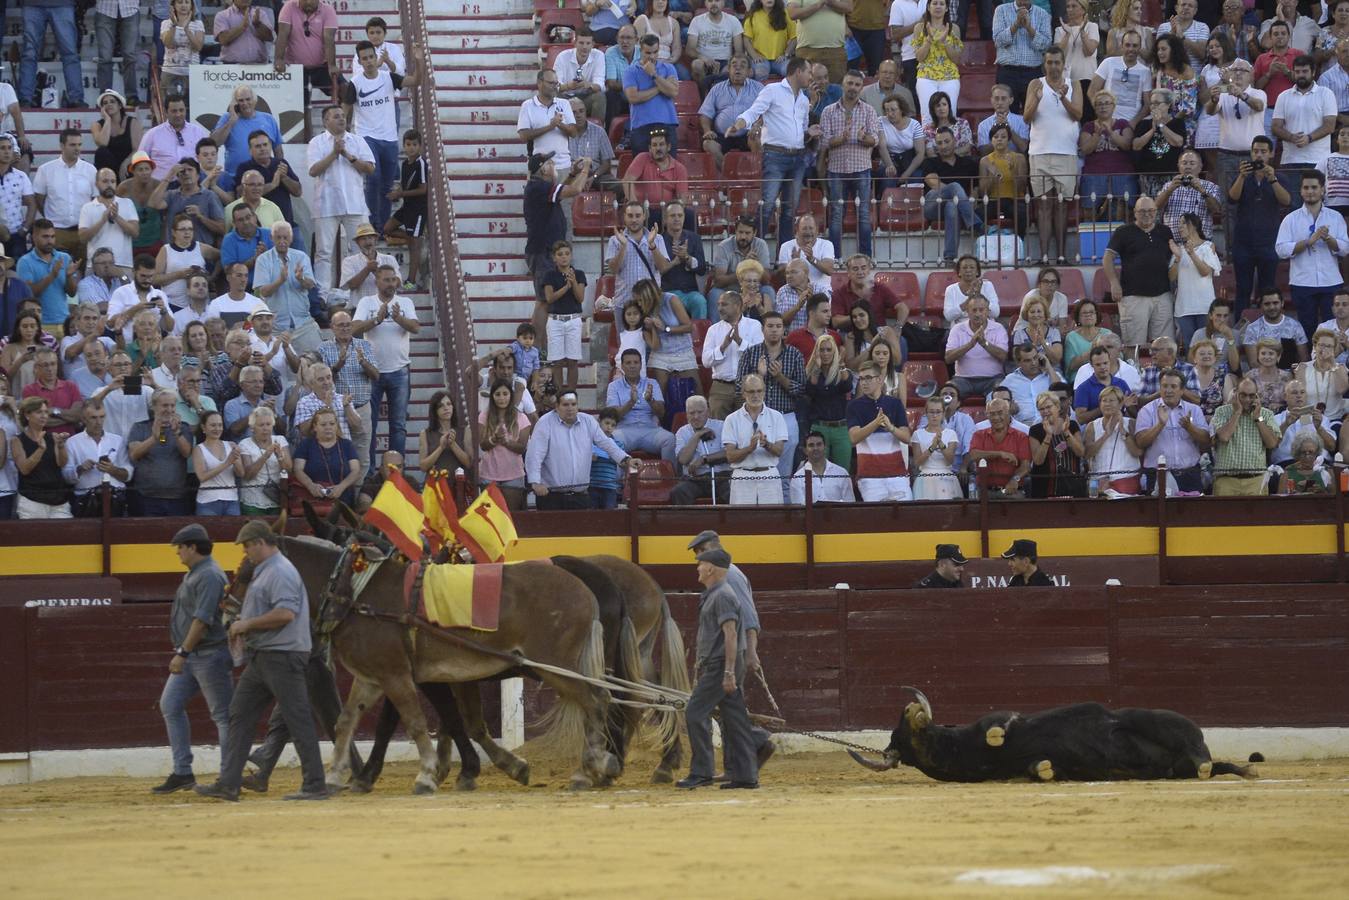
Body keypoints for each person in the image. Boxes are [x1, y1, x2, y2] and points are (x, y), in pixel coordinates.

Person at [194, 520, 330, 803]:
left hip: (283, 654)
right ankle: (229, 783)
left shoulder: (280, 571)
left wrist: (246, 624)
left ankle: (315, 784)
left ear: (260, 542)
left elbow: (285, 614)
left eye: (247, 546)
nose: (245, 552)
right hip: (264, 656)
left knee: (298, 718)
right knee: (239, 713)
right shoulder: (266, 571)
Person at [148, 524, 235, 795]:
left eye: (180, 548)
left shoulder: (209, 575)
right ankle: (183, 772)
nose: (178, 553)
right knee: (170, 705)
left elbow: (202, 620)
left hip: (207, 654)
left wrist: (182, 653)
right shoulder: (198, 573)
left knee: (222, 716)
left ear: (193, 547)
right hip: (194, 654)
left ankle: (228, 776)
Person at [677, 547, 758, 790]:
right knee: (735, 719)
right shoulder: (718, 593)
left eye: (700, 564)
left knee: (695, 712)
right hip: (721, 665)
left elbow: (730, 635)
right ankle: (746, 775)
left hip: (720, 665)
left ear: (711, 567)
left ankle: (702, 771)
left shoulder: (722, 595)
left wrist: (729, 672)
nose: (697, 569)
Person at [730, 57, 815, 248]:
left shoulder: (803, 99)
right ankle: (753, 249)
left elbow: (802, 129)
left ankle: (783, 255)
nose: (811, 76)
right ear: (798, 72)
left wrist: (810, 133)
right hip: (775, 155)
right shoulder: (772, 90)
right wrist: (739, 124)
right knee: (767, 205)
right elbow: (754, 111)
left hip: (797, 156)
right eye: (809, 72)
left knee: (789, 210)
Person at [352, 266, 419, 469]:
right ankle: (370, 471)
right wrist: (376, 320)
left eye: (394, 280)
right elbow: (354, 329)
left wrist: (399, 319)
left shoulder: (405, 302)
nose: (391, 284)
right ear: (377, 282)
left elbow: (416, 327)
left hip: (399, 371)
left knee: (398, 426)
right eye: (387, 280)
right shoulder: (366, 302)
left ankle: (396, 472)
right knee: (369, 426)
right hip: (372, 372)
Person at [307, 106, 375, 300]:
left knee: (358, 249)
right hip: (326, 204)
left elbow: (370, 168)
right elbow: (313, 170)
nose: (341, 119)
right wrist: (334, 153)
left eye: (343, 116)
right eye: (336, 116)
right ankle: (322, 294)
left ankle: (356, 292)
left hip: (355, 203)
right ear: (325, 121)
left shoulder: (357, 141)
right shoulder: (316, 142)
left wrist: (347, 155)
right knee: (323, 252)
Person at [526, 390, 634, 510]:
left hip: (580, 496)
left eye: (573, 404)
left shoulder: (588, 421)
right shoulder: (545, 422)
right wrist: (535, 483)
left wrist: (627, 459)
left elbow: (607, 444)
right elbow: (535, 455)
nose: (570, 408)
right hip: (551, 496)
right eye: (565, 405)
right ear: (556, 407)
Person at [1024, 46, 1082, 264]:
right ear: (1044, 63)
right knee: (1043, 205)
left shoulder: (1073, 84)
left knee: (1062, 205)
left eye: (1057, 62)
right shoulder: (1035, 83)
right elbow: (1027, 118)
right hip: (1039, 152)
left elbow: (1078, 114)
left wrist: (1064, 97)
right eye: (1050, 62)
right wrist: (1037, 99)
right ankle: (1045, 257)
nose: (1054, 67)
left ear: (1063, 63)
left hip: (1066, 152)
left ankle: (1060, 256)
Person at [1277, 170, 1349, 337]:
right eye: (1306, 187)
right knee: (1306, 329)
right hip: (1303, 282)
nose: (1310, 191)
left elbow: (1345, 249)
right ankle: (1308, 363)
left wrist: (1328, 239)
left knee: (1334, 329)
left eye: (1314, 187)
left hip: (1330, 281)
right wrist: (1308, 242)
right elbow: (1281, 250)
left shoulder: (1335, 217)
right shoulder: (1291, 219)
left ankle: (1333, 363)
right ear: (1301, 191)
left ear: (1322, 190)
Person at [525, 152, 591, 321]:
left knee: (546, 301)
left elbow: (560, 193)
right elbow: (575, 190)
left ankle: (541, 345)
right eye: (549, 163)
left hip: (546, 250)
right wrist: (586, 169)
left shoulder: (540, 187)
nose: (553, 165)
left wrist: (572, 174)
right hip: (542, 251)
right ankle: (538, 346)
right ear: (543, 169)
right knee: (544, 301)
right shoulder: (539, 187)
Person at [820, 70, 880, 257]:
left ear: (861, 87)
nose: (853, 87)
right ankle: (834, 258)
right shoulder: (828, 111)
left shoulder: (869, 110)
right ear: (843, 85)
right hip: (836, 169)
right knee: (836, 214)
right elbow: (824, 142)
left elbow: (875, 140)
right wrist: (841, 139)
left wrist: (864, 139)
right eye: (850, 83)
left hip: (861, 168)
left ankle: (865, 257)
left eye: (857, 84)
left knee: (863, 214)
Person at [1227, 137, 1289, 313]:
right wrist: (1241, 176)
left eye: (1263, 151)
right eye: (1255, 151)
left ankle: (1267, 332)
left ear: (1271, 154)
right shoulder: (1242, 175)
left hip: (1268, 242)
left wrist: (1272, 179)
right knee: (1243, 289)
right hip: (1243, 243)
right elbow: (1232, 198)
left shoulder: (1279, 177)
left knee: (1267, 289)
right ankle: (1241, 330)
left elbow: (1286, 201)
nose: (1259, 155)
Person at [1103, 197, 1174, 347]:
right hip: (1133, 298)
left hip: (1162, 296)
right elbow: (1108, 258)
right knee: (1133, 346)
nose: (1147, 214)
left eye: (1151, 211)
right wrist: (1114, 283)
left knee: (1164, 346)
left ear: (1156, 212)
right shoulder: (1123, 232)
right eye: (1142, 211)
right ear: (1135, 212)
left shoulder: (1165, 232)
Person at [1134, 368, 1210, 493]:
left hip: (1189, 475)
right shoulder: (1147, 410)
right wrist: (1160, 424)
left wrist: (1190, 428)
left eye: (1173, 386)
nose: (1168, 390)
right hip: (1158, 476)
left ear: (1181, 391)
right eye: (1164, 386)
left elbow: (1206, 440)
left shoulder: (1194, 410)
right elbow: (1141, 442)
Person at [846, 360, 912, 501]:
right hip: (870, 477)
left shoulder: (895, 403)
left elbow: (907, 437)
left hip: (897, 474)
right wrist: (876, 423)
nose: (864, 382)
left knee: (906, 516)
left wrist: (891, 428)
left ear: (880, 379)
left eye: (868, 378)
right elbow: (853, 438)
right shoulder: (854, 406)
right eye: (861, 378)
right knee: (877, 519)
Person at [254, 221, 321, 353]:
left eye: (285, 237)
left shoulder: (301, 257)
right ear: (271, 239)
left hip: (303, 324)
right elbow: (263, 291)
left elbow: (311, 285)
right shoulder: (263, 260)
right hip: (277, 327)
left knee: (316, 362)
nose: (282, 241)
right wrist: (280, 280)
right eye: (278, 238)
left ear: (291, 239)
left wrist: (300, 279)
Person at [722, 373, 788, 505]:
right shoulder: (731, 419)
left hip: (769, 475)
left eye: (759, 391)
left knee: (772, 521)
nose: (755, 395)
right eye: (751, 391)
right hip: (742, 476)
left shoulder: (777, 417)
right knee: (742, 521)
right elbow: (730, 456)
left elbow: (780, 451)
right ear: (743, 393)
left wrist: (767, 444)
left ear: (764, 392)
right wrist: (749, 449)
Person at [208, 87, 284, 196]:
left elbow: (278, 151)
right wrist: (232, 120)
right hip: (235, 179)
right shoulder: (227, 118)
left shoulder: (268, 119)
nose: (245, 103)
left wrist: (277, 175)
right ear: (235, 103)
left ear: (254, 100)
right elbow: (214, 143)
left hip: (264, 179)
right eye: (241, 100)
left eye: (248, 99)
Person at [1211, 377, 1280, 495]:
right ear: (1235, 393)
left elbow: (1272, 443)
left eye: (1251, 395)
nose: (1247, 399)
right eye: (1243, 395)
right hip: (1226, 480)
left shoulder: (1266, 414)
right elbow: (1224, 437)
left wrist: (1258, 418)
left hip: (1256, 480)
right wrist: (1237, 412)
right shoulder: (1221, 412)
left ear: (1257, 396)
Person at [920, 128, 980, 264]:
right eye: (939, 143)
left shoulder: (968, 163)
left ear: (955, 141)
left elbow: (975, 188)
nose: (943, 146)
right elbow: (933, 182)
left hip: (956, 207)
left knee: (952, 205)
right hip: (933, 205)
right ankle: (976, 223)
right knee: (954, 187)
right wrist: (959, 195)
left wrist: (969, 198)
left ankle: (950, 257)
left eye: (947, 141)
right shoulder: (930, 162)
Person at [607, 348, 677, 463]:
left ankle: (671, 479)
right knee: (612, 440)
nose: (632, 366)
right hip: (625, 430)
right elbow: (612, 417)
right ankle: (618, 481)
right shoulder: (614, 386)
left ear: (641, 365)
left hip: (650, 429)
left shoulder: (652, 383)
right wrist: (631, 402)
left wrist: (650, 400)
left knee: (670, 439)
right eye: (628, 363)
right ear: (622, 366)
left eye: (636, 362)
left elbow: (661, 413)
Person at [703, 290, 764, 419]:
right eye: (718, 304)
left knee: (747, 426)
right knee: (719, 429)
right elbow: (706, 361)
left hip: (747, 386)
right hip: (720, 388)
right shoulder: (713, 330)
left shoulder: (754, 325)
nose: (719, 308)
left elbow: (760, 355)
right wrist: (723, 346)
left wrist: (740, 341)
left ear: (737, 306)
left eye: (724, 304)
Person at [9, 397, 70, 519]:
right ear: (27, 415)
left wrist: (61, 446)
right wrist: (40, 449)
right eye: (39, 412)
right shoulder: (17, 440)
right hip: (32, 501)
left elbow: (61, 463)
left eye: (46, 412)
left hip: (58, 499)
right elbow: (24, 469)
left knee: (63, 536)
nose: (44, 416)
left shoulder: (52, 436)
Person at [17, 220, 79, 336]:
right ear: (34, 237)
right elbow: (29, 293)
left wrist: (69, 276)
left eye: (52, 236)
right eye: (45, 237)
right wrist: (52, 276)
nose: (50, 241)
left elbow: (72, 293)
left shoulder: (64, 258)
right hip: (40, 325)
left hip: (64, 323)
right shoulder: (25, 262)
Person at [292, 406, 362, 508]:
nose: (328, 427)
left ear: (337, 426)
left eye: (332, 424)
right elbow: (297, 469)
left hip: (343, 501)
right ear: (315, 427)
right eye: (323, 424)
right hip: (313, 500)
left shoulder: (347, 444)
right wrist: (311, 486)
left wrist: (341, 487)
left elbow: (356, 471)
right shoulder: (306, 444)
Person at [273, 0, 340, 104]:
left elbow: (329, 39)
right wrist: (279, 59)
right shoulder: (289, 7)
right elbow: (282, 34)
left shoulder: (328, 10)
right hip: (296, 68)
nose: (308, 2)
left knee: (345, 91)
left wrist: (331, 65)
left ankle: (344, 120)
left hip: (322, 66)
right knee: (303, 105)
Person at [623, 34, 681, 154]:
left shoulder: (669, 68)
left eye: (655, 52)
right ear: (640, 51)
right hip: (641, 125)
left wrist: (654, 75)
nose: (652, 56)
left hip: (667, 123)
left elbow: (673, 92)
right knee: (643, 167)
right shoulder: (630, 71)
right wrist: (660, 87)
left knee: (669, 167)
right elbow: (633, 97)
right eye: (648, 53)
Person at [992, 0, 1052, 113]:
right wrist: (1015, 25)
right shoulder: (1001, 10)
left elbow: (1046, 46)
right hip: (1007, 73)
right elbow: (998, 41)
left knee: (1034, 115)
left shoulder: (1043, 14)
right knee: (1006, 116)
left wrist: (1029, 28)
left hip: (1033, 73)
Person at [230, 133, 299, 231]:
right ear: (250, 151)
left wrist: (284, 177)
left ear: (271, 146)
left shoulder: (281, 163)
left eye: (265, 145)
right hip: (260, 227)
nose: (262, 149)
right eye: (258, 146)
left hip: (287, 225)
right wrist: (273, 185)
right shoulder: (245, 168)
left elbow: (298, 192)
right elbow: (241, 194)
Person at [945, 295, 1008, 398]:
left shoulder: (998, 328)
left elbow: (1003, 356)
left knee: (1002, 393)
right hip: (962, 379)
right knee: (948, 393)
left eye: (981, 310)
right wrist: (970, 345)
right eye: (974, 310)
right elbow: (948, 358)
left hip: (993, 379)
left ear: (987, 311)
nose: (977, 314)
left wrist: (984, 343)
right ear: (967, 312)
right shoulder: (957, 329)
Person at [1083, 385, 1142, 494]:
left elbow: (1137, 452)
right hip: (1098, 480)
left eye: (1112, 400)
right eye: (1104, 400)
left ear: (1120, 404)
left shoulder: (1131, 423)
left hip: (1126, 479)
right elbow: (1087, 454)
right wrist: (1105, 435)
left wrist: (1124, 432)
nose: (1107, 404)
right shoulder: (1092, 426)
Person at [968, 397, 1031, 494]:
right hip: (985, 492)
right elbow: (973, 455)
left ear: (1008, 413)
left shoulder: (1021, 436)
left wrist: (1015, 479)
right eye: (992, 414)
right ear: (987, 415)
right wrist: (1000, 454)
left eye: (1000, 413)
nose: (996, 417)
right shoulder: (979, 434)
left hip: (1013, 491)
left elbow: (1025, 466)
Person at [657, 201, 706, 321]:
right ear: (665, 219)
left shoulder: (694, 238)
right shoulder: (658, 240)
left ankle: (699, 337)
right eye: (673, 216)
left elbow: (702, 270)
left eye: (680, 215)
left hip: (690, 292)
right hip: (667, 292)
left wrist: (687, 258)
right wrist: (674, 262)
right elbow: (655, 271)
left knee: (700, 301)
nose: (677, 219)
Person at [1091, 31, 1152, 128]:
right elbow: (1092, 91)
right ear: (1122, 46)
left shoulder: (1145, 71)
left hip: (1131, 123)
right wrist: (1101, 115)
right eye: (1127, 45)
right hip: (1107, 121)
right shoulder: (1108, 63)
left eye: (1135, 45)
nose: (1131, 49)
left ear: (1140, 47)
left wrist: (1132, 124)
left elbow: (1147, 104)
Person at [979, 123, 1030, 237]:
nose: (999, 140)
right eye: (996, 137)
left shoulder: (1019, 158)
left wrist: (1013, 171)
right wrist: (992, 177)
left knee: (1021, 213)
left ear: (1009, 140)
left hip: (1014, 200)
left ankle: (1019, 243)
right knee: (977, 214)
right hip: (993, 200)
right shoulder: (985, 161)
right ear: (991, 140)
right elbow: (983, 192)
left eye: (1003, 137)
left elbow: (1021, 187)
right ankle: (985, 244)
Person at [21, 347, 82, 437]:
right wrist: (68, 418)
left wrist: (54, 411)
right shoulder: (29, 390)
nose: (50, 368)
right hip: (44, 442)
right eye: (45, 365)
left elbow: (77, 416)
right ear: (37, 367)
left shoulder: (70, 386)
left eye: (53, 364)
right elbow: (37, 421)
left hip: (69, 441)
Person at [909, 394, 960, 500]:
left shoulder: (951, 433)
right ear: (926, 413)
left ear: (943, 413)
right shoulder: (918, 434)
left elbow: (950, 460)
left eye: (938, 412)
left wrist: (941, 445)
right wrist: (932, 448)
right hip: (926, 477)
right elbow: (917, 462)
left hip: (946, 477)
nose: (934, 415)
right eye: (931, 412)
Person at [1245, 290, 1311, 370]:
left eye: (1275, 303)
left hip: (1289, 375)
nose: (1272, 307)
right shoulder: (1252, 328)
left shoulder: (1295, 326)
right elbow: (1253, 363)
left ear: (1282, 303)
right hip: (1262, 376)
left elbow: (1304, 359)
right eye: (1267, 304)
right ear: (1261, 306)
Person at [338, 223, 400, 305]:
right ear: (357, 242)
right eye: (363, 239)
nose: (367, 242)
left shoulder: (389, 259)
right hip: (359, 309)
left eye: (370, 238)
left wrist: (377, 272)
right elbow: (351, 285)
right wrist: (367, 269)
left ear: (375, 240)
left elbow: (398, 283)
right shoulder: (349, 261)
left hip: (386, 306)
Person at [790, 428, 852, 503]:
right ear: (805, 450)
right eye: (811, 445)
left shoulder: (841, 473)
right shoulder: (797, 478)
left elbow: (850, 505)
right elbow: (799, 511)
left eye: (819, 444)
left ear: (825, 447)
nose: (815, 448)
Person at [214, 0, 275, 66]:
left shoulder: (261, 13)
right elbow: (223, 40)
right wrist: (242, 27)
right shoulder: (222, 15)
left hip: (259, 67)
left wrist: (258, 25)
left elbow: (270, 38)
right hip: (231, 68)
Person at [604, 25, 640, 128]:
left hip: (639, 94)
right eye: (622, 37)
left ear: (636, 40)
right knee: (610, 95)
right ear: (617, 39)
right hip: (620, 95)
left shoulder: (642, 52)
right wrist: (632, 86)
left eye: (629, 38)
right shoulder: (611, 52)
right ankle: (610, 134)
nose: (625, 42)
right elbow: (611, 83)